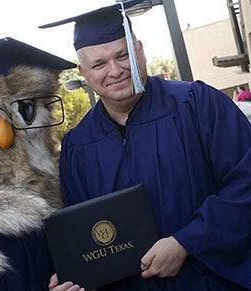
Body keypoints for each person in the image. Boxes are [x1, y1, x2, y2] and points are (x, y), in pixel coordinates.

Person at [40, 1, 251, 290]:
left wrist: (186, 242)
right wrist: (74, 277)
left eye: (123, 55)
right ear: (84, 73)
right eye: (99, 64)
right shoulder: (78, 147)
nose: (114, 71)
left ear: (140, 50)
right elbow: (84, 234)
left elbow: (246, 181)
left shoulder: (197, 105)